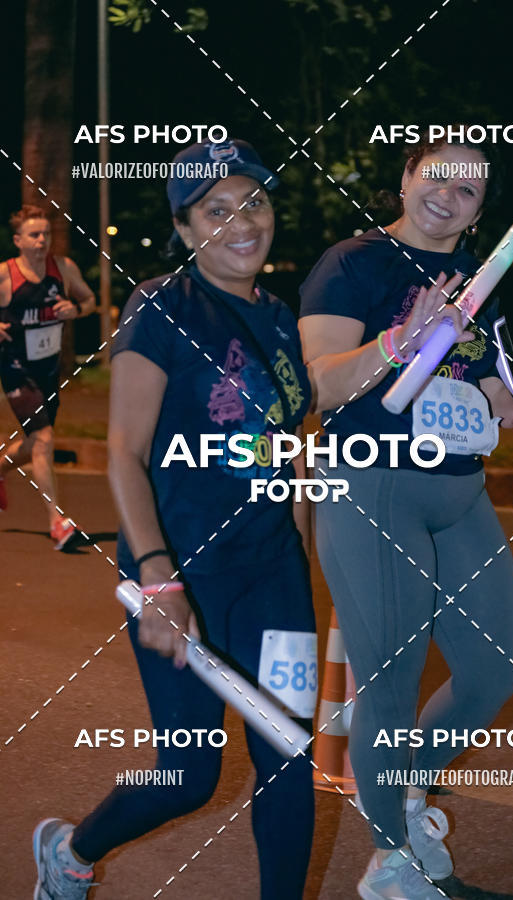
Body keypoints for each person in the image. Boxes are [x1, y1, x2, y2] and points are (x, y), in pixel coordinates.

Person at [32, 139, 316, 900]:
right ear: (186, 231)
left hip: (272, 566)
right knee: (190, 775)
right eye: (215, 210)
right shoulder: (161, 306)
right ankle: (71, 851)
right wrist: (157, 575)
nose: (241, 221)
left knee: (289, 751)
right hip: (181, 567)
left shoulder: (280, 318)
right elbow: (123, 452)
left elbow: (288, 431)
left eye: (252, 200)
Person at [299, 133, 513, 899]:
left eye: (468, 190)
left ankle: (397, 792)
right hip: (373, 486)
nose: (449, 196)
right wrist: (404, 340)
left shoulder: (480, 282)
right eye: (438, 178)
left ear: (478, 211)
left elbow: (505, 398)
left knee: (492, 669)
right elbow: (323, 386)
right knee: (390, 683)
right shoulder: (353, 263)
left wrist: (498, 395)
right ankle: (392, 864)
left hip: (460, 488)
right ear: (406, 178)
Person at [0, 205, 96, 549]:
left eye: (46, 234)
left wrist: (77, 309)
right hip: (14, 368)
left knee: (37, 442)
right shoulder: (6, 275)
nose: (42, 241)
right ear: (18, 241)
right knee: (43, 439)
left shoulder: (64, 269)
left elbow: (89, 300)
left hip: (48, 370)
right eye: (34, 235)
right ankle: (58, 523)